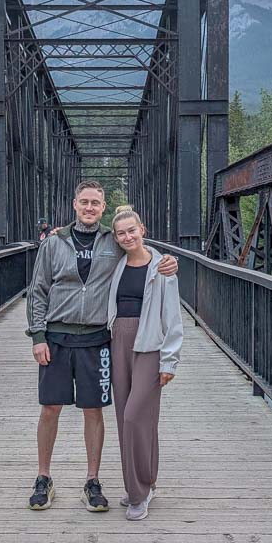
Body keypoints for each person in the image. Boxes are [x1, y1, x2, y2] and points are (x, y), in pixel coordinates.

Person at [26, 180, 177, 512]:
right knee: (50, 408)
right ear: (74, 204)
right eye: (84, 202)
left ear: (104, 207)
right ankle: (43, 477)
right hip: (57, 336)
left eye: (96, 203)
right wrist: (38, 336)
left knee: (94, 410)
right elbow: (37, 291)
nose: (90, 207)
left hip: (97, 339)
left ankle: (92, 480)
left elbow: (141, 249)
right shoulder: (54, 243)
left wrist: (168, 261)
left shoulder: (113, 241)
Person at [106, 205, 182, 520]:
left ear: (143, 230)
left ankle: (139, 495)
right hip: (118, 341)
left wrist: (170, 361)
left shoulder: (162, 268)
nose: (127, 236)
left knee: (135, 416)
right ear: (116, 237)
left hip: (150, 345)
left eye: (132, 230)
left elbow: (173, 317)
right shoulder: (115, 264)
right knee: (127, 416)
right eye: (121, 233)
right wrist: (57, 236)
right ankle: (142, 482)